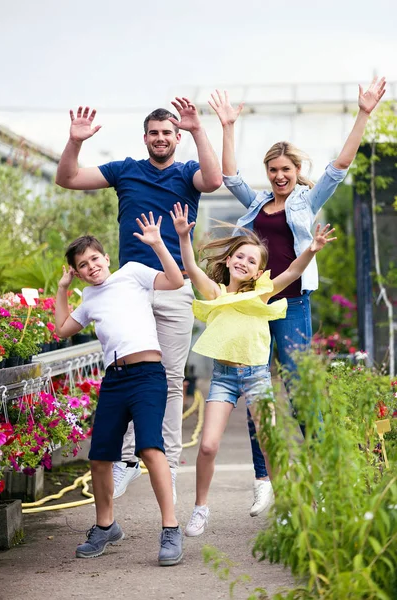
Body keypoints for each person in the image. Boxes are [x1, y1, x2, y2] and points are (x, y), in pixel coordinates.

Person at [208, 78, 386, 517]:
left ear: (295, 170)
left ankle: (323, 477)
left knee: (299, 388)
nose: (280, 176)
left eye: (286, 169)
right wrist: (228, 126)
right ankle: (263, 479)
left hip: (291, 306)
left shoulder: (307, 200)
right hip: (252, 308)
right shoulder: (255, 205)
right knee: (256, 391)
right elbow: (229, 177)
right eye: (273, 170)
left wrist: (363, 114)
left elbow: (339, 167)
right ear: (267, 173)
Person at [55, 99, 222, 500]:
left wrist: (201, 129)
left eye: (168, 133)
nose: (160, 138)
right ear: (145, 137)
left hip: (173, 284)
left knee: (170, 379)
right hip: (131, 289)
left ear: (177, 138)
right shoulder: (125, 170)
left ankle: (167, 464)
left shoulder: (186, 173)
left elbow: (215, 180)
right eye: (154, 133)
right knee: (129, 374)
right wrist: (75, 141)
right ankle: (128, 460)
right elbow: (68, 178)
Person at [170, 202, 336, 536]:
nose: (244, 262)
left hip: (257, 377)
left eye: (252, 260)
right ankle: (200, 508)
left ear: (260, 271)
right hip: (224, 379)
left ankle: (285, 506)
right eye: (240, 256)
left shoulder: (262, 294)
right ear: (229, 260)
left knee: (268, 441)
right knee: (207, 445)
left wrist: (312, 250)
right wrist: (183, 238)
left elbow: (290, 273)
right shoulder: (215, 293)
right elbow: (190, 266)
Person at [55, 213, 184, 565]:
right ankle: (105, 525)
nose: (91, 266)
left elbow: (174, 280)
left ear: (106, 257)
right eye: (83, 265)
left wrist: (157, 243)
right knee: (99, 456)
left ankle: (170, 529)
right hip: (114, 379)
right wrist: (63, 289)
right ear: (78, 272)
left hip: (148, 375)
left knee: (149, 447)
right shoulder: (89, 299)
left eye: (95, 258)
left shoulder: (132, 274)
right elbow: (62, 330)